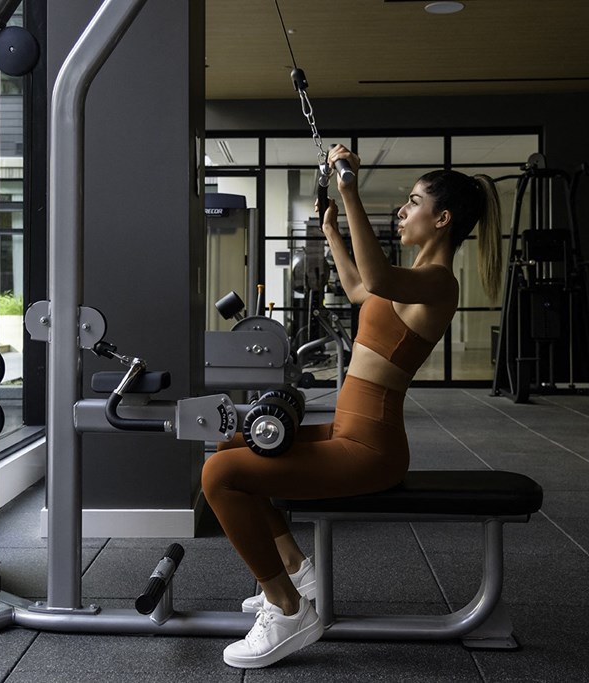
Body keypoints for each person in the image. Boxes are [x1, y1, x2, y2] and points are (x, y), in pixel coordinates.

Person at [201, 144, 503, 669]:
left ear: (443, 218)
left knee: (220, 474)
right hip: (349, 430)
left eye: (413, 203)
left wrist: (349, 188)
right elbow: (363, 288)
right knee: (237, 445)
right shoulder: (411, 280)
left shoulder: (439, 283)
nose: (404, 212)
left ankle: (288, 609)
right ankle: (296, 570)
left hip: (370, 448)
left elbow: (379, 279)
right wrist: (333, 233)